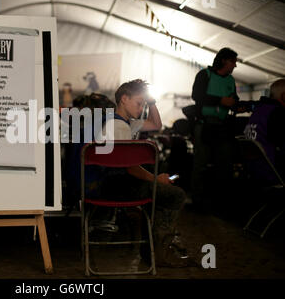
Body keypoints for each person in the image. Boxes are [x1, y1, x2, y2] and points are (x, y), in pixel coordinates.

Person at [99, 79, 192, 267]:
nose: (141, 108)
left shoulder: (124, 123)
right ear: (124, 99)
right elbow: (129, 167)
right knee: (176, 195)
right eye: (139, 103)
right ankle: (160, 252)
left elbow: (156, 124)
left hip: (115, 183)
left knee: (159, 194)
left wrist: (151, 102)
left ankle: (154, 251)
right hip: (116, 186)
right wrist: (156, 179)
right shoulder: (118, 127)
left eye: (143, 104)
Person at [190, 47, 239, 212]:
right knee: (200, 165)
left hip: (223, 127)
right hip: (204, 125)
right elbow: (197, 96)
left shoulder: (231, 80)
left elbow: (233, 99)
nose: (235, 65)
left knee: (224, 166)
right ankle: (197, 202)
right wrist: (220, 101)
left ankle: (220, 204)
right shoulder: (205, 75)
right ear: (224, 60)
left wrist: (237, 105)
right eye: (233, 61)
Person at [244, 79, 285, 183]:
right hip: (272, 173)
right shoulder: (278, 114)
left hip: (254, 171)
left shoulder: (258, 111)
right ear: (284, 96)